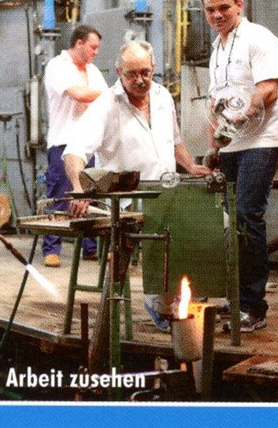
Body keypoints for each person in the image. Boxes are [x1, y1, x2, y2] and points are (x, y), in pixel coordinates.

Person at [63, 39, 203, 327]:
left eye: (146, 73)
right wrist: (79, 188)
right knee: (162, 226)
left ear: (153, 69)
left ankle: (197, 296)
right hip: (128, 201)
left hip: (168, 190)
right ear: (118, 73)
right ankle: (160, 301)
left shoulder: (163, 97)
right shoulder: (106, 105)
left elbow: (175, 141)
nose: (140, 80)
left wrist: (191, 166)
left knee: (217, 222)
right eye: (132, 74)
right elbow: (74, 152)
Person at [202, 0, 278, 333]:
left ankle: (253, 307)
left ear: (239, 6)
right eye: (210, 10)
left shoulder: (260, 38)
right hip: (234, 144)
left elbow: (268, 90)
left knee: (247, 216)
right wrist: (216, 142)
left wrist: (244, 114)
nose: (218, 15)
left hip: (264, 138)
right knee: (231, 223)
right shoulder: (217, 48)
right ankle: (237, 298)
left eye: (224, 7)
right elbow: (216, 100)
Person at [41, 25, 106, 267]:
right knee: (60, 195)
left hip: (89, 143)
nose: (96, 52)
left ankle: (90, 248)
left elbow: (99, 100)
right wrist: (104, 94)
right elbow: (78, 94)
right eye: (93, 47)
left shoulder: (93, 70)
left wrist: (99, 95)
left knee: (90, 195)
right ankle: (51, 248)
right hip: (63, 140)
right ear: (79, 44)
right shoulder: (58, 66)